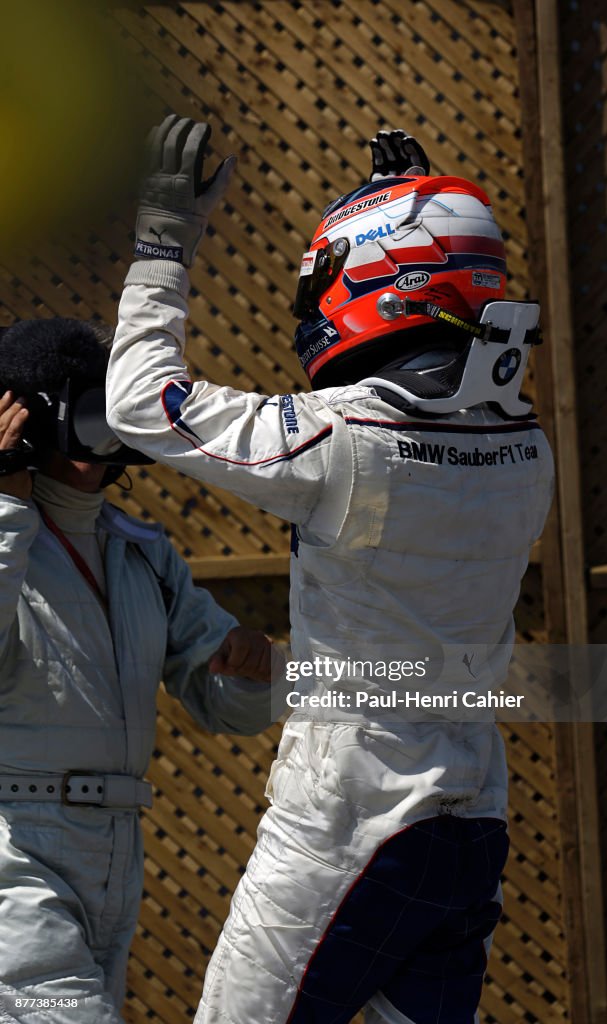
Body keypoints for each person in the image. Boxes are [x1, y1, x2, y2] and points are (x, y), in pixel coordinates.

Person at [106, 118, 555, 1024]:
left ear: (374, 283)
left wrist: (164, 239)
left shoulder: (336, 441)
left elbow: (137, 403)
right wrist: (415, 208)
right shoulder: (528, 446)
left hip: (349, 820)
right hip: (468, 817)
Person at [0, 316, 283, 1024]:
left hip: (117, 848)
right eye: (83, 407)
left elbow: (231, 710)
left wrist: (247, 672)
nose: (103, 430)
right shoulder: (7, 535)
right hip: (14, 853)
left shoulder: (140, 551)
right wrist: (5, 504)